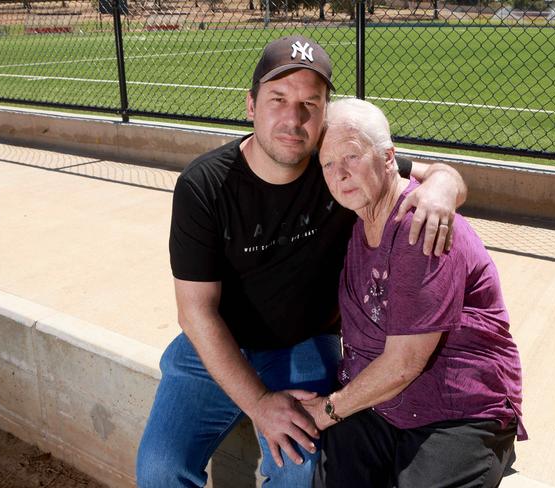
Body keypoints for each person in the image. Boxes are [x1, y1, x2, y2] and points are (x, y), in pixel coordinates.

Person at [136, 36, 467, 488]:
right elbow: (195, 310)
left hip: (304, 344)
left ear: (325, 115)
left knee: (300, 473)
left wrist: (444, 188)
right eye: (278, 100)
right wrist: (258, 403)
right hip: (214, 344)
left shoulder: (334, 169)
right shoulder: (205, 186)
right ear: (251, 105)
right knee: (158, 471)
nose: (294, 119)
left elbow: (436, 174)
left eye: (311, 103)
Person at [302, 98, 527, 488]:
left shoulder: (419, 226)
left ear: (389, 158)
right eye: (327, 164)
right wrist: (446, 177)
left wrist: (325, 411)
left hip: (457, 408)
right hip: (379, 402)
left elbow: (403, 365)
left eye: (352, 156)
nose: (339, 174)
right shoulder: (357, 211)